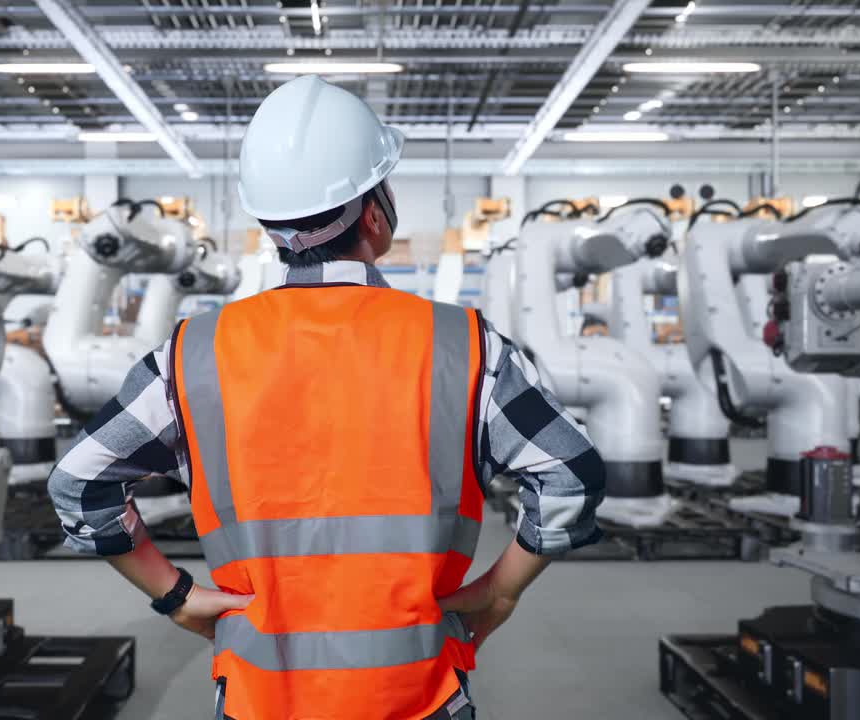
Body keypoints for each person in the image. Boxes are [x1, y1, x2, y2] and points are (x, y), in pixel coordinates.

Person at [48, 75, 605, 720]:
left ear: (271, 223)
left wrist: (176, 596)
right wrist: (499, 592)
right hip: (419, 695)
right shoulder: (464, 345)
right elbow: (569, 476)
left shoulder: (190, 354)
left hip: (262, 697)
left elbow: (79, 486)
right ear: (373, 213)